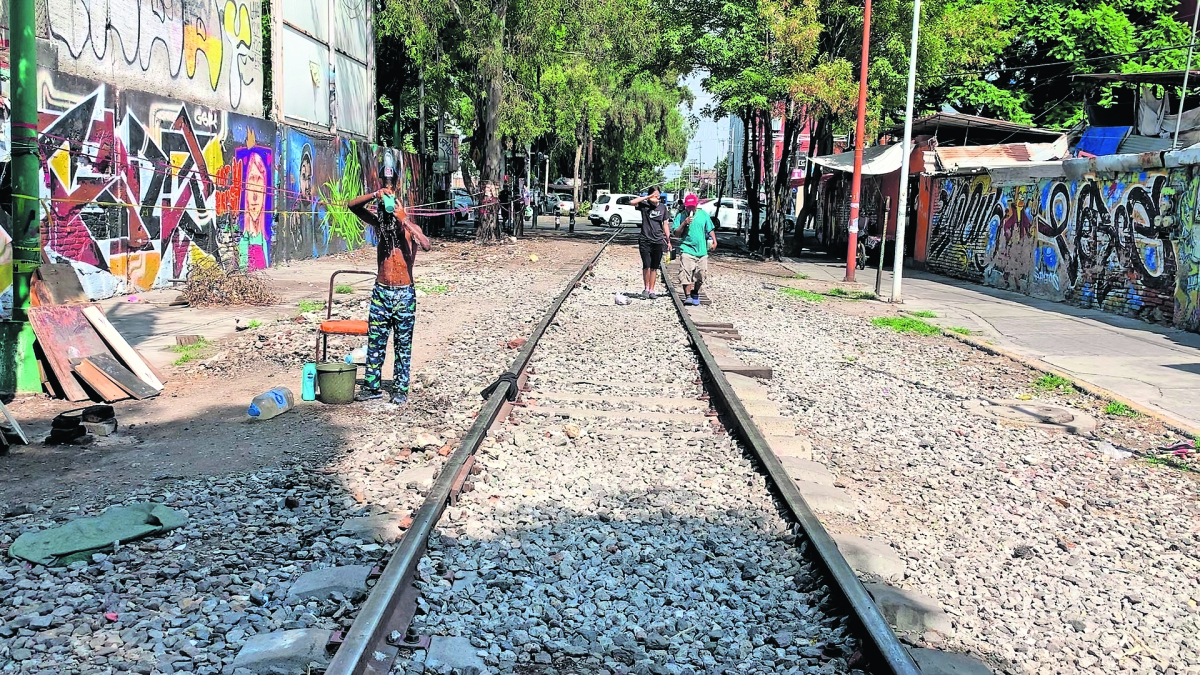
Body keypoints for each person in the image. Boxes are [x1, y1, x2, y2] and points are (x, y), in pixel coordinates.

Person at [347, 164, 432, 404]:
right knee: (375, 342)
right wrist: (375, 195)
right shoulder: (381, 228)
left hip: (404, 294)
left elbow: (425, 244)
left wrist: (403, 219)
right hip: (382, 292)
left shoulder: (408, 230)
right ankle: (372, 387)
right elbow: (352, 206)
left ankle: (400, 389)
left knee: (403, 346)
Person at [672, 193, 716, 306]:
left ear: (696, 205)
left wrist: (714, 240)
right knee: (685, 272)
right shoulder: (681, 216)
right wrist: (684, 223)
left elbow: (710, 228)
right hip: (687, 248)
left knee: (701, 274)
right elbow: (676, 234)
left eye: (693, 206)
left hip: (701, 250)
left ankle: (695, 292)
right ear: (685, 206)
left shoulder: (703, 215)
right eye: (688, 206)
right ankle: (687, 296)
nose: (691, 208)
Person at [630, 187, 671, 299]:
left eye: (658, 194)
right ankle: (646, 288)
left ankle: (652, 290)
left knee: (654, 266)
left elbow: (665, 224)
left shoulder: (663, 208)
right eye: (654, 194)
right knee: (646, 265)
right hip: (645, 239)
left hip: (658, 240)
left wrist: (668, 240)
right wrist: (648, 197)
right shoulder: (644, 205)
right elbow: (632, 202)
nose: (656, 196)